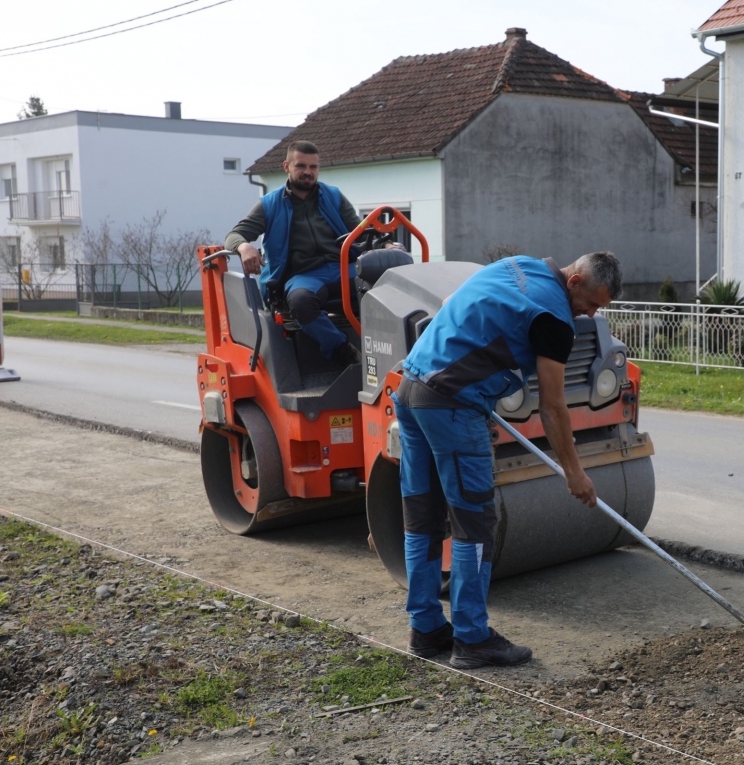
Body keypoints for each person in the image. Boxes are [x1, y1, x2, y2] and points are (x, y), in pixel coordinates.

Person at [394, 252, 623, 668]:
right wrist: (575, 473)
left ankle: (425, 630)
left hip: (411, 390)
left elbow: (454, 309)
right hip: (451, 405)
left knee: (423, 517)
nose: (590, 315)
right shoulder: (555, 319)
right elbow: (553, 408)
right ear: (574, 283)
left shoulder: (518, 264)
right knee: (474, 525)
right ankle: (472, 638)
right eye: (591, 304)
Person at [225, 140, 362, 364]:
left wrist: (386, 246)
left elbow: (360, 231)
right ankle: (341, 349)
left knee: (390, 278)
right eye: (301, 166)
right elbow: (234, 235)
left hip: (343, 269)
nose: (308, 172)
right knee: (300, 302)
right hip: (304, 277)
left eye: (313, 167)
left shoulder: (334, 197)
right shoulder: (270, 204)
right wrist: (243, 246)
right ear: (286, 167)